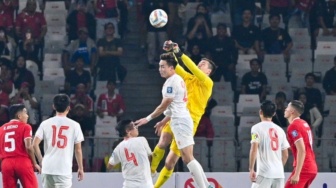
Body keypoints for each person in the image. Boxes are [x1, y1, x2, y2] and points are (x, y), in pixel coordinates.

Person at [135, 52, 213, 188]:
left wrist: (179, 53)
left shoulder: (207, 82)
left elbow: (190, 67)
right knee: (163, 141)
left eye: (203, 64)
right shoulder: (186, 78)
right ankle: (152, 174)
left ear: (208, 71)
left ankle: (204, 185)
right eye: (199, 62)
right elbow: (174, 67)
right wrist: (171, 51)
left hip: (188, 121)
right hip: (176, 117)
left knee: (178, 160)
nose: (200, 64)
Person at [33, 94, 85, 188]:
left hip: (47, 168)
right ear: (69, 107)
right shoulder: (75, 125)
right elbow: (78, 150)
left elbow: (34, 144)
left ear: (53, 106)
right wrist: (80, 168)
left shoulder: (45, 123)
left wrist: (41, 160)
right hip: (63, 169)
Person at [249, 100, 290, 188]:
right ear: (274, 113)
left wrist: (251, 169)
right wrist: (277, 168)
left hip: (264, 173)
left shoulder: (256, 128)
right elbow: (286, 154)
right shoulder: (280, 130)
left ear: (260, 112)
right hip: (279, 174)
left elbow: (254, 149)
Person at [0, 104, 40, 188]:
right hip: (22, 161)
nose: (27, 116)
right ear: (19, 116)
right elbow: (28, 147)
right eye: (25, 113)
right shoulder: (26, 127)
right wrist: (35, 163)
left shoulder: (1, 129)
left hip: (6, 163)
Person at [107, 119, 153, 188]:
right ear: (128, 131)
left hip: (128, 185)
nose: (136, 128)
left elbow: (109, 166)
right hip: (145, 185)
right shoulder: (142, 140)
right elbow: (150, 157)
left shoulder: (118, 148)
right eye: (134, 126)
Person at [284, 100, 318, 188]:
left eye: (287, 107)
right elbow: (304, 146)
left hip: (304, 168)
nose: (285, 109)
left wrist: (297, 174)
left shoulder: (293, 126)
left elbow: (302, 150)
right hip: (311, 167)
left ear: (292, 111)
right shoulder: (304, 123)